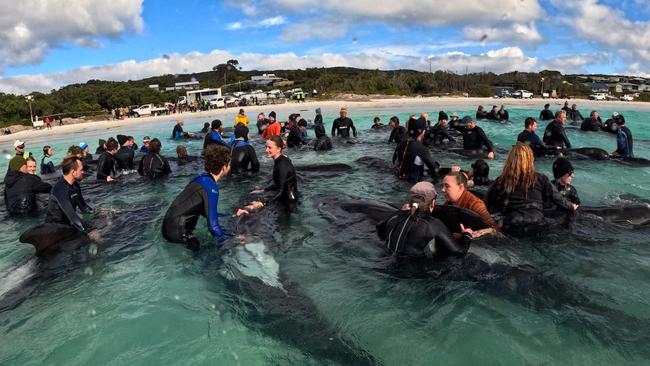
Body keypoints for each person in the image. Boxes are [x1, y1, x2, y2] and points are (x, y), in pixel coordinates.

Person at [485, 143, 577, 235]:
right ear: (530, 160)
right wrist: (571, 206)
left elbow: (486, 205)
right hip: (537, 223)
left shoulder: (501, 181)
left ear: (510, 160)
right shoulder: (541, 178)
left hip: (512, 224)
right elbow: (557, 198)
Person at [376, 182, 474, 259]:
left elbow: (380, 229)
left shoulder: (396, 216)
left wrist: (399, 212)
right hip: (415, 276)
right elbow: (459, 253)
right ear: (432, 203)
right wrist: (466, 236)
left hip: (388, 263)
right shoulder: (433, 224)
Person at [162, 144, 232, 250]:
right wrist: (230, 241)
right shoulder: (211, 187)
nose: (230, 167)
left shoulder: (200, 178)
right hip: (178, 233)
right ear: (223, 167)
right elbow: (213, 227)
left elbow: (205, 212)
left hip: (168, 227)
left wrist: (229, 215)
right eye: (229, 164)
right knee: (207, 255)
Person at [246, 136, 298, 212]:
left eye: (270, 147)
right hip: (285, 198)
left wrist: (262, 204)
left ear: (279, 149)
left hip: (289, 203)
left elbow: (281, 191)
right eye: (266, 147)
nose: (266, 150)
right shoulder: (281, 160)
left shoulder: (282, 165)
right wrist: (263, 190)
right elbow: (280, 183)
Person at [45, 156, 94, 234]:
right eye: (81, 170)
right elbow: (72, 217)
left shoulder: (75, 185)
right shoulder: (60, 189)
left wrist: (98, 212)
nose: (83, 172)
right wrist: (90, 231)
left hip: (69, 224)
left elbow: (84, 207)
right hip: (55, 230)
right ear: (73, 172)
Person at [393, 116, 440, 182]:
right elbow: (434, 169)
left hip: (398, 179)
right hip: (413, 184)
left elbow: (393, 161)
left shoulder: (400, 144)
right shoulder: (422, 149)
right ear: (422, 132)